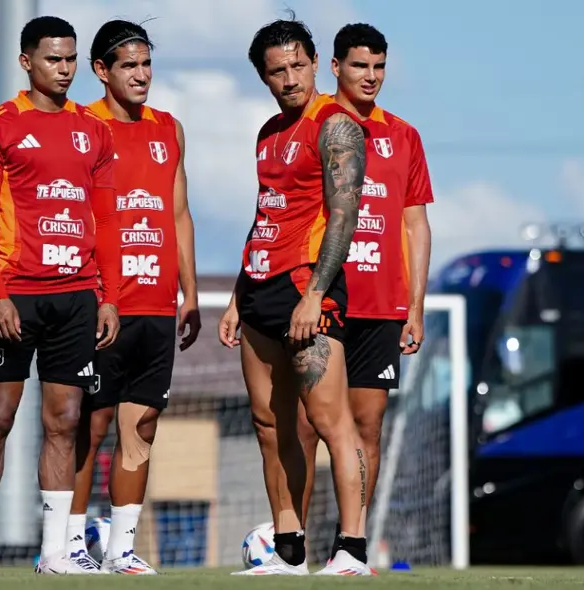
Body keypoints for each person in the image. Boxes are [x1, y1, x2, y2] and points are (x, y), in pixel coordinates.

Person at [0, 15, 122, 575]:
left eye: (71, 58)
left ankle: (55, 552)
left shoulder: (93, 130)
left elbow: (104, 218)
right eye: (54, 58)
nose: (65, 68)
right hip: (17, 296)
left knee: (66, 419)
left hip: (77, 296)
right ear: (27, 61)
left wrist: (107, 296)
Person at [217, 14, 370, 576]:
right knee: (268, 423)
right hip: (258, 290)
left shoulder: (336, 126)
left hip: (308, 287)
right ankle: (288, 548)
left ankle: (351, 549)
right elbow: (265, 215)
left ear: (314, 63)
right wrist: (238, 294)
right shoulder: (267, 132)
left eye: (298, 65)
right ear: (264, 76)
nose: (290, 79)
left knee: (331, 421)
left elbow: (344, 216)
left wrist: (315, 293)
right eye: (277, 71)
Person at [65, 19, 202, 575]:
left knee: (141, 427)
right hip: (101, 303)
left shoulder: (169, 128)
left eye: (147, 64)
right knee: (88, 427)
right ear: (101, 70)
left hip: (156, 302)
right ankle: (69, 544)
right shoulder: (79, 126)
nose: (142, 75)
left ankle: (120, 548)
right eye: (129, 65)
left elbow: (178, 213)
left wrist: (190, 292)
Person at [311, 22, 435, 572]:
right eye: (360, 65)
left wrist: (416, 305)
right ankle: (288, 542)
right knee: (305, 424)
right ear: (334, 67)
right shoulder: (312, 125)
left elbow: (416, 225)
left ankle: (350, 545)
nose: (371, 77)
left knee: (367, 427)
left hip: (381, 305)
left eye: (379, 66)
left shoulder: (404, 135)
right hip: (319, 300)